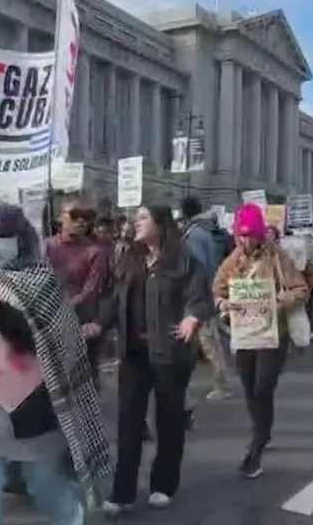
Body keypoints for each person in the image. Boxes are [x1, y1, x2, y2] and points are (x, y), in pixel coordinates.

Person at [0, 206, 112, 524]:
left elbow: (38, 341)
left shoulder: (43, 283)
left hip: (31, 415)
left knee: (48, 491)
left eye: (4, 237)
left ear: (21, 239)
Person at [99, 205, 213, 515]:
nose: (136, 223)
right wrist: (98, 324)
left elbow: (199, 296)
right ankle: (122, 492)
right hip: (134, 353)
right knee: (129, 422)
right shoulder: (129, 258)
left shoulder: (184, 258)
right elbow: (114, 298)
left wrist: (192, 317)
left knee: (169, 419)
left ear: (160, 224)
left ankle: (164, 484)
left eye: (143, 218)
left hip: (171, 352)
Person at [213, 203, 310, 479]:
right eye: (241, 235)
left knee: (263, 386)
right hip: (244, 336)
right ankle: (263, 431)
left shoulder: (277, 257)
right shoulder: (232, 260)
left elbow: (301, 288)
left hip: (272, 334)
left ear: (260, 233)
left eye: (250, 235)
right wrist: (223, 304)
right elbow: (217, 288)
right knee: (249, 389)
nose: (246, 241)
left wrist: (279, 301)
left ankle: (255, 448)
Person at [45, 199, 110, 382]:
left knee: (84, 378)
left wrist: (64, 309)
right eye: (75, 216)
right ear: (61, 218)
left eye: (87, 218)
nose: (81, 222)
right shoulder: (47, 246)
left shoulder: (95, 251)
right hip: (49, 319)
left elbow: (92, 290)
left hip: (83, 321)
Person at [179, 197, 230, 400]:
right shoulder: (203, 232)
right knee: (200, 341)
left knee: (209, 342)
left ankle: (221, 384)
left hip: (199, 294)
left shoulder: (195, 235)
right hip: (203, 292)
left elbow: (199, 266)